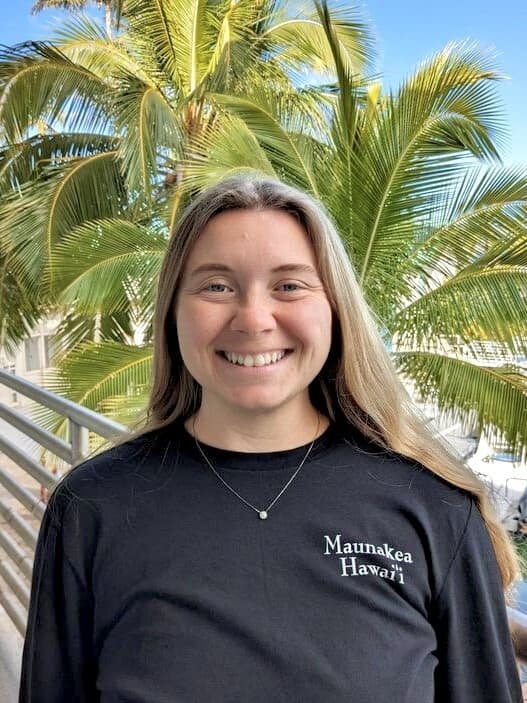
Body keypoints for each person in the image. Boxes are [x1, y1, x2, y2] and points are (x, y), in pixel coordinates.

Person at [19, 176, 522, 702]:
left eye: (290, 285)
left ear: (335, 310)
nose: (254, 319)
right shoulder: (92, 506)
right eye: (217, 286)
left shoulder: (435, 508)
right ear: (172, 312)